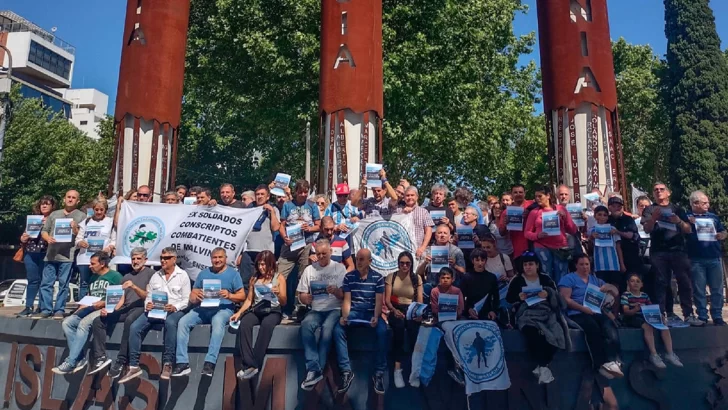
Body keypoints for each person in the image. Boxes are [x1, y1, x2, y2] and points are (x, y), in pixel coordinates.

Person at [173, 248, 246, 377]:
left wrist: (229, 295)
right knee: (183, 321)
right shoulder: (203, 273)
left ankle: (210, 362)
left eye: (220, 257)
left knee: (218, 321)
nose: (217, 260)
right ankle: (182, 362)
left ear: (226, 258)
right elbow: (192, 296)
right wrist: (196, 296)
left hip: (224, 308)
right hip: (203, 308)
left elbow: (242, 296)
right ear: (211, 259)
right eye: (214, 258)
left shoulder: (233, 274)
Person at [123, 247, 191, 382]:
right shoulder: (156, 275)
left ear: (174, 259)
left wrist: (174, 307)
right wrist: (147, 304)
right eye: (161, 258)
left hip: (174, 310)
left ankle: (167, 363)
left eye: (166, 258)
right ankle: (133, 365)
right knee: (135, 327)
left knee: (171, 323)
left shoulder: (183, 275)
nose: (163, 261)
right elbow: (149, 296)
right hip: (155, 310)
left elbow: (186, 300)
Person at [641, 183, 702, 326]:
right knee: (661, 282)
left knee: (685, 282)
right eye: (656, 190)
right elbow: (647, 229)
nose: (659, 192)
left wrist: (679, 221)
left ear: (668, 193)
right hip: (659, 251)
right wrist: (653, 218)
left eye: (662, 189)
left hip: (678, 250)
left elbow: (688, 229)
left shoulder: (677, 209)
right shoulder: (650, 209)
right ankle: (662, 314)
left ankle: (688, 314)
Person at [52, 252, 123, 374]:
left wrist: (104, 303)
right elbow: (90, 295)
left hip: (105, 309)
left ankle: (71, 362)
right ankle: (79, 357)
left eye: (92, 263)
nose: (90, 266)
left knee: (84, 324)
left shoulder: (115, 276)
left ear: (102, 263)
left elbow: (120, 297)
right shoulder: (93, 277)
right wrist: (80, 307)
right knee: (67, 323)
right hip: (90, 307)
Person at [88, 247, 154, 376]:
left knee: (130, 321)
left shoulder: (151, 274)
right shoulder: (127, 276)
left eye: (138, 258)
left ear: (145, 260)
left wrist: (134, 287)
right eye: (133, 259)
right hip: (127, 307)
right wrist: (110, 310)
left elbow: (148, 296)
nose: (135, 261)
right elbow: (121, 300)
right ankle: (101, 357)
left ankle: (121, 360)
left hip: (142, 307)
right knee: (98, 320)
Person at [333, 249, 388, 395]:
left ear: (370, 261)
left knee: (383, 331)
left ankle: (379, 373)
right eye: (357, 259)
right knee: (338, 329)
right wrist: (345, 316)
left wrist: (376, 316)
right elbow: (347, 300)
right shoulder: (349, 277)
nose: (358, 262)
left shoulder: (378, 277)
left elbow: (378, 302)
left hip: (370, 312)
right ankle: (346, 371)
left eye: (362, 259)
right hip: (355, 312)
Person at [558, 255, 623, 379]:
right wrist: (583, 309)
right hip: (576, 313)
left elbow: (615, 292)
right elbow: (565, 299)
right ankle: (600, 364)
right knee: (592, 328)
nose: (585, 267)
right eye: (581, 264)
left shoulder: (596, 280)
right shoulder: (568, 279)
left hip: (596, 312)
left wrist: (609, 288)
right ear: (576, 265)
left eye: (587, 264)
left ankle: (615, 361)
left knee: (609, 326)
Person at [506, 252, 565, 384]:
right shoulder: (516, 280)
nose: (528, 267)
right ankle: (544, 367)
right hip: (526, 313)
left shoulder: (546, 278)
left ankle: (542, 367)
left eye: (531, 264)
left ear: (537, 265)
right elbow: (509, 300)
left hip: (546, 312)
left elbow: (556, 296)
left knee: (557, 334)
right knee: (533, 334)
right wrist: (518, 298)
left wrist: (548, 293)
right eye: (525, 264)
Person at [297, 239, 347, 390]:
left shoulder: (339, 268)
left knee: (327, 330)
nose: (321, 257)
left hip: (334, 308)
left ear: (331, 252)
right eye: (318, 254)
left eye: (324, 253)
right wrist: (305, 298)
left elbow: (345, 295)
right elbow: (301, 294)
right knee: (305, 325)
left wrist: (336, 292)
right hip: (316, 309)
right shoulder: (309, 270)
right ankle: (313, 368)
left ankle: (316, 370)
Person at [233, 251, 287, 380]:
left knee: (267, 325)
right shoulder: (254, 279)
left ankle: (255, 363)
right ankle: (248, 363)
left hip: (273, 310)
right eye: (259, 264)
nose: (261, 267)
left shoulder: (279, 277)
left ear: (270, 264)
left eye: (264, 265)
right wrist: (239, 313)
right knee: (245, 323)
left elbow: (284, 301)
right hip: (258, 309)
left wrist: (278, 293)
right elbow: (249, 300)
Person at [38, 190, 87, 319]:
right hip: (51, 255)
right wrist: (47, 238)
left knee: (63, 284)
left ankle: (59, 309)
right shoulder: (54, 214)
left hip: (67, 256)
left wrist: (75, 228)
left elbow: (82, 236)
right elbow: (44, 231)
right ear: (64, 199)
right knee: (46, 283)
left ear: (78, 201)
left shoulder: (81, 216)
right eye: (68, 197)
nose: (70, 199)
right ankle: (46, 309)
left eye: (73, 198)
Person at [621, 273, 683, 369]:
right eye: (632, 281)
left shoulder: (645, 296)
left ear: (642, 284)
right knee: (647, 326)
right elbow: (626, 311)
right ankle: (654, 354)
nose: (635, 283)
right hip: (632, 317)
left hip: (646, 316)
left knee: (663, 326)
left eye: (638, 281)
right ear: (628, 283)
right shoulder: (626, 295)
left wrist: (660, 316)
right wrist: (635, 309)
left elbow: (651, 308)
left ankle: (670, 353)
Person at [686, 190, 727, 325]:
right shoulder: (687, 217)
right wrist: (691, 223)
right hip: (696, 258)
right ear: (695, 203)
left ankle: (717, 315)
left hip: (714, 257)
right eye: (704, 203)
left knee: (717, 289)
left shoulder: (713, 217)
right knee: (699, 289)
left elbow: (723, 231)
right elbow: (683, 232)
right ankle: (702, 315)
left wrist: (722, 235)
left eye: (707, 202)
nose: (707, 205)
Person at [385, 251, 423, 388]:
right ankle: (397, 369)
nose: (404, 265)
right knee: (399, 331)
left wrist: (417, 313)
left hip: (411, 309)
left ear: (411, 263)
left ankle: (415, 371)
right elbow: (387, 300)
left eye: (407, 263)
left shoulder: (416, 278)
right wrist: (394, 311)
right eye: (402, 263)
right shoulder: (391, 277)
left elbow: (419, 300)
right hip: (396, 309)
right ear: (398, 263)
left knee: (414, 332)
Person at [524, 185, 578, 284]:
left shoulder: (560, 208)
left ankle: (561, 297)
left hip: (560, 248)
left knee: (562, 276)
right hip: (542, 247)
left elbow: (573, 230)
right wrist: (537, 235)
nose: (537, 199)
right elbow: (527, 233)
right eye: (536, 196)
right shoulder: (534, 212)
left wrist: (565, 217)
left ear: (548, 196)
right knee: (546, 275)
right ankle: (549, 296)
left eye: (540, 196)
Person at [17, 196, 56, 317]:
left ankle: (42, 306)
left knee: (45, 281)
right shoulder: (33, 219)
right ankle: (28, 306)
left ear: (52, 206)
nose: (44, 206)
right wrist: (23, 238)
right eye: (42, 204)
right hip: (30, 252)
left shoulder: (55, 219)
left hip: (46, 253)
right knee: (32, 280)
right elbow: (24, 237)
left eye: (47, 204)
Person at [75, 199, 116, 299]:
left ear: (105, 210)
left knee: (99, 282)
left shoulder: (110, 222)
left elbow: (114, 240)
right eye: (96, 209)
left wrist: (109, 248)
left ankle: (96, 305)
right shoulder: (86, 222)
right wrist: (80, 242)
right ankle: (82, 307)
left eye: (101, 210)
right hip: (85, 259)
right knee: (84, 283)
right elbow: (77, 239)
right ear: (93, 209)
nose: (99, 212)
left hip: (101, 259)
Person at [243, 184, 281, 286]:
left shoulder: (274, 209)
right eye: (257, 194)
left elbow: (276, 228)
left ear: (268, 196)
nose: (259, 196)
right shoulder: (248, 209)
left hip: (265, 250)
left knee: (266, 280)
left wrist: (271, 212)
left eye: (262, 194)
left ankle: (264, 301)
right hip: (249, 250)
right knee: (247, 280)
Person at [417, 224, 466, 291]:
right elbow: (419, 272)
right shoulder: (428, 250)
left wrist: (454, 265)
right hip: (432, 285)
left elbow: (463, 272)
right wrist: (425, 262)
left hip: (451, 286)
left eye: (445, 233)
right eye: (440, 233)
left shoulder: (456, 251)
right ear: (435, 235)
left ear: (449, 236)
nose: (442, 235)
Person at [588, 206, 626, 289]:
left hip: (614, 264)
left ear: (608, 217)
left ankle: (616, 302)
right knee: (602, 289)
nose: (602, 217)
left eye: (605, 215)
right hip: (599, 265)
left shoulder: (612, 229)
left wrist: (622, 264)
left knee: (615, 289)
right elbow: (590, 248)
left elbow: (618, 247)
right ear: (595, 216)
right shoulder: (592, 230)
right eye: (599, 214)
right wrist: (591, 238)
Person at [607, 196, 643, 277]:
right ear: (609, 208)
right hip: (613, 257)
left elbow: (632, 235)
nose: (617, 208)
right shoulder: (607, 220)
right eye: (614, 206)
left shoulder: (628, 219)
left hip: (630, 256)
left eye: (619, 206)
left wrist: (617, 232)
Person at [461, 248, 499, 321]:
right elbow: (461, 297)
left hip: (487, 313)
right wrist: (468, 309)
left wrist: (493, 311)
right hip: (470, 312)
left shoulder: (491, 277)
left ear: (485, 261)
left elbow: (496, 297)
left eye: (482, 260)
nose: (480, 263)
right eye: (477, 260)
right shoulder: (466, 277)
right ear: (473, 261)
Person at [498, 184, 535, 258]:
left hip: (534, 246)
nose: (518, 194)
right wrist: (505, 225)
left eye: (520, 192)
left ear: (525, 193)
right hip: (517, 249)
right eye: (515, 192)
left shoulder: (533, 205)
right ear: (511, 194)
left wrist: (530, 214)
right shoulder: (506, 212)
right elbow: (501, 233)